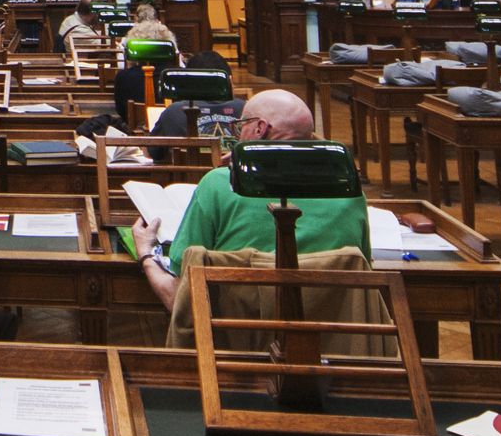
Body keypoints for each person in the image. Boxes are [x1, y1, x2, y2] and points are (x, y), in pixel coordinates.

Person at [127, 90, 367, 307]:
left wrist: (146, 255)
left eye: (240, 126)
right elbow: (365, 272)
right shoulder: (347, 190)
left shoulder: (220, 185)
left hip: (234, 345)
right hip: (333, 345)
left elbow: (178, 299)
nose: (238, 133)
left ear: (259, 128)